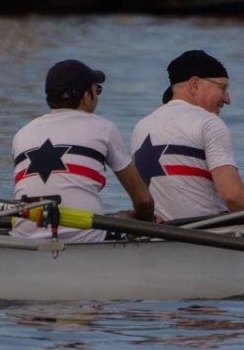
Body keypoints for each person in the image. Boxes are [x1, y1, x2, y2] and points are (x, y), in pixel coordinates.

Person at [11, 59, 155, 242]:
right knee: (131, 220)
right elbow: (143, 200)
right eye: (97, 90)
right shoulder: (103, 128)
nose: (98, 97)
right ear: (86, 97)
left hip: (24, 238)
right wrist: (147, 222)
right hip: (85, 238)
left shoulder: (22, 134)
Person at [130, 49, 244, 221]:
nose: (227, 99)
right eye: (222, 88)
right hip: (206, 234)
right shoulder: (208, 123)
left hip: (154, 233)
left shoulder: (142, 126)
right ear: (194, 85)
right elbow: (233, 196)